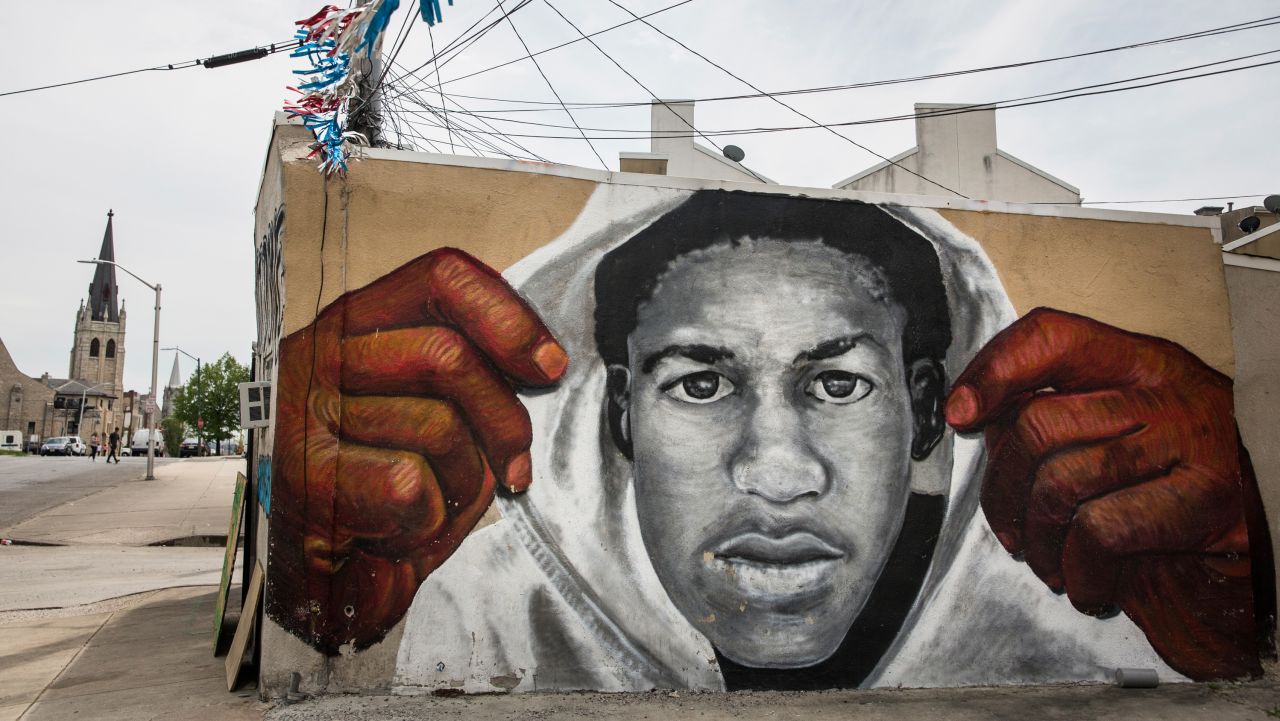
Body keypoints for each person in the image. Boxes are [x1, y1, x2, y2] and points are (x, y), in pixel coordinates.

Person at [267, 189, 1271, 692]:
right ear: (620, 416)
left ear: (925, 410)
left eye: (836, 382)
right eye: (699, 383)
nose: (776, 469)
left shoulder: (1095, 635)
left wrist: (1247, 593)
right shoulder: (486, 613)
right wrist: (295, 577)